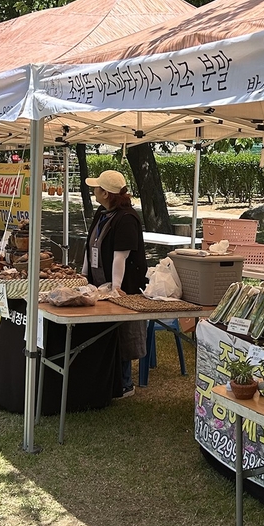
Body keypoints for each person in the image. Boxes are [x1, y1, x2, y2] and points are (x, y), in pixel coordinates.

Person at [82, 170, 148, 398]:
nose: (94, 191)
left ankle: (125, 383)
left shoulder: (127, 218)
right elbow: (90, 245)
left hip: (123, 285)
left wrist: (116, 287)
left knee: (123, 332)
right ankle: (107, 379)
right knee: (105, 330)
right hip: (100, 282)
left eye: (97, 188)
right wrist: (85, 274)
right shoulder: (102, 212)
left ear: (107, 193)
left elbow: (121, 256)